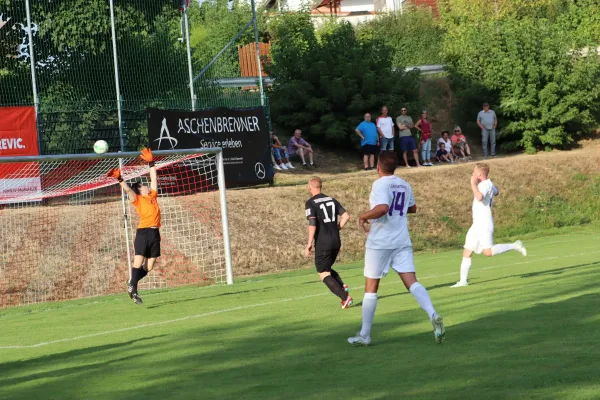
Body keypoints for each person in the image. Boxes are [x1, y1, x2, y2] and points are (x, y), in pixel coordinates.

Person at [347, 151, 445, 346]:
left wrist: (363, 215)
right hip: (401, 240)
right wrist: (396, 209)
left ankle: (365, 334)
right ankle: (433, 313)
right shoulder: (404, 184)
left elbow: (382, 208)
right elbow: (413, 208)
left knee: (371, 288)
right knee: (412, 282)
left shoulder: (380, 184)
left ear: (378, 166)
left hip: (381, 242)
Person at [451, 163, 527, 288]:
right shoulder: (489, 184)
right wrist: (490, 186)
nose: (473, 174)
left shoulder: (483, 185)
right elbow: (496, 192)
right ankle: (463, 281)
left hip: (484, 223)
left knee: (488, 252)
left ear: (479, 175)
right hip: (477, 224)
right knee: (467, 251)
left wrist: (473, 184)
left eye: (474, 172)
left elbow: (480, 197)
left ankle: (515, 245)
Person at [106, 148, 160, 305]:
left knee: (148, 267)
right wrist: (120, 178)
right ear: (139, 190)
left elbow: (154, 178)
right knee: (138, 263)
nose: (146, 186)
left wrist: (151, 163)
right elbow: (129, 190)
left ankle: (132, 283)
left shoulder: (152, 196)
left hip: (155, 234)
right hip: (143, 233)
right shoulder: (137, 199)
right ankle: (133, 287)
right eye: (143, 186)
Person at [304, 177, 353, 308]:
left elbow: (312, 223)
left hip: (323, 242)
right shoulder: (331, 199)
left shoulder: (311, 203)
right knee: (327, 269)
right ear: (321, 187)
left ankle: (344, 297)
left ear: (310, 187)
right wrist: (337, 228)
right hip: (336, 240)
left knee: (323, 272)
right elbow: (346, 216)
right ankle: (342, 286)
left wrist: (309, 243)